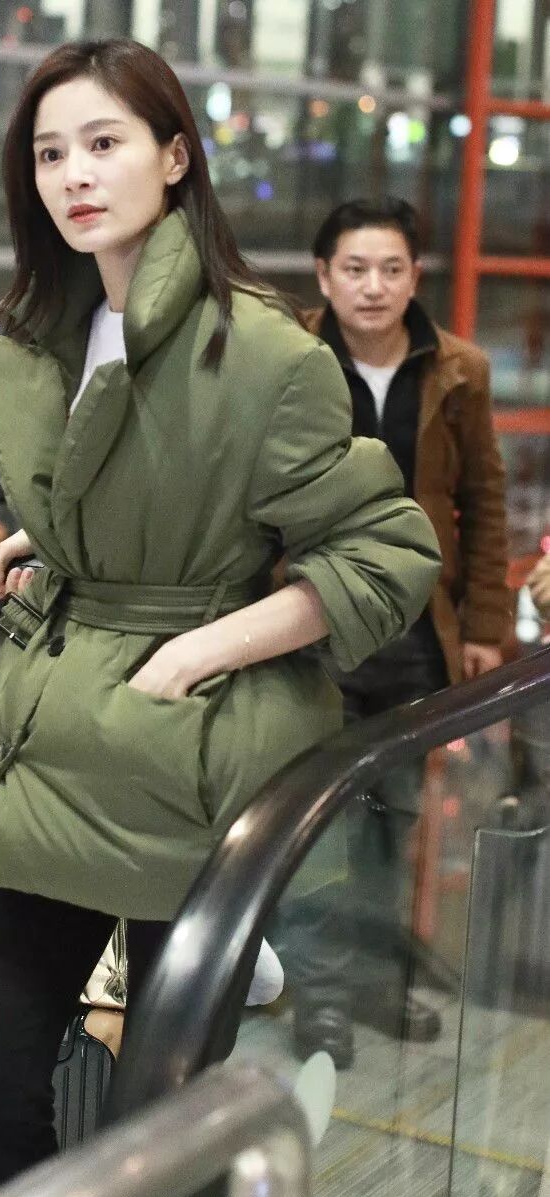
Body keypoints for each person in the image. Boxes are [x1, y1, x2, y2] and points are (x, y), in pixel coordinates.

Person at [0, 41, 441, 1197]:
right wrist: (58, 540)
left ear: (175, 157)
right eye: (49, 153)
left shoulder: (262, 351)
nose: (74, 174)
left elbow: (386, 552)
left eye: (103, 143)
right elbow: (134, 482)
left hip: (196, 752)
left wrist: (199, 649)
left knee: (157, 1116)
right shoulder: (55, 327)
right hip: (67, 744)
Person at [291, 197, 510, 1064]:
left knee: (395, 819)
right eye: (354, 269)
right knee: (318, 822)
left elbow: (482, 501)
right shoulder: (289, 357)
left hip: (418, 632)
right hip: (311, 625)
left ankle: (376, 983)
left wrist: (485, 624)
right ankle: (321, 998)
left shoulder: (457, 370)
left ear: (415, 277)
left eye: (390, 269)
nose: (372, 287)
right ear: (323, 277)